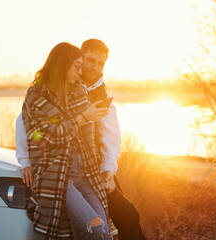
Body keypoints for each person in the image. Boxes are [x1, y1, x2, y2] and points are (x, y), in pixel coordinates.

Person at [16, 39, 147, 240]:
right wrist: (25, 159)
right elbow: (27, 123)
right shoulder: (52, 89)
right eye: (89, 61)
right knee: (99, 224)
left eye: (100, 63)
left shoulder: (98, 95)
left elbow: (111, 137)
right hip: (61, 170)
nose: (94, 67)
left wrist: (107, 170)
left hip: (93, 167)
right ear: (79, 58)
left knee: (125, 217)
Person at [21, 42, 112, 239]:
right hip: (58, 174)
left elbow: (87, 133)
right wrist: (82, 118)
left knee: (105, 233)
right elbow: (45, 138)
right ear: (62, 65)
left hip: (87, 171)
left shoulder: (78, 89)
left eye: (81, 66)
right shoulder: (37, 95)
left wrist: (94, 114)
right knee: (94, 227)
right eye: (76, 66)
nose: (80, 73)